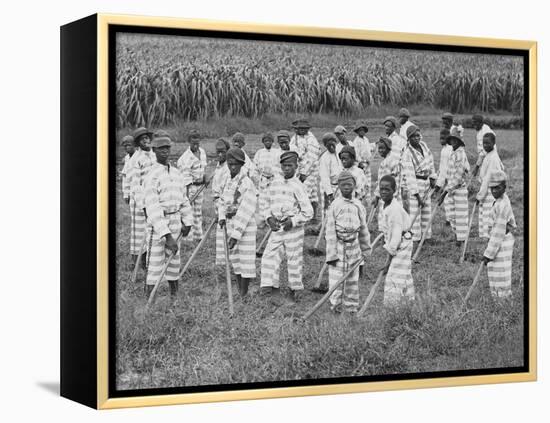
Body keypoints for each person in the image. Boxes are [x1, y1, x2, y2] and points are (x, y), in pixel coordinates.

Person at [143, 136, 193, 302]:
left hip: (175, 220)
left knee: (174, 261)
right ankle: (150, 301)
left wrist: (187, 221)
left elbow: (183, 199)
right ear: (154, 151)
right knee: (155, 265)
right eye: (161, 148)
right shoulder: (151, 175)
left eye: (167, 148)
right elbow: (152, 207)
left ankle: (175, 299)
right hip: (158, 225)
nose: (165, 151)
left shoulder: (176, 173)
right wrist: (166, 235)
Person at [260, 151, 313, 301]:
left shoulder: (298, 186)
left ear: (296, 167)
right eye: (284, 166)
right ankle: (269, 288)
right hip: (277, 226)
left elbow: (308, 212)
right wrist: (269, 218)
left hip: (293, 230)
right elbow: (265, 202)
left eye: (290, 166)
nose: (287, 169)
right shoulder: (275, 183)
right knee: (269, 256)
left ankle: (295, 289)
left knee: (294, 258)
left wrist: (293, 221)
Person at [325, 170, 370, 313]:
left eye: (349, 184)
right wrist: (331, 255)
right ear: (338, 186)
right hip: (339, 247)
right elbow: (330, 233)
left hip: (354, 247)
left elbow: (363, 229)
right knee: (336, 281)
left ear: (354, 185)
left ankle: (351, 308)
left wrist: (366, 248)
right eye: (343, 185)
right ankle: (335, 306)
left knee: (352, 280)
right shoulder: (335, 205)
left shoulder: (358, 205)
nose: (346, 187)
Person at [218, 148, 258, 296]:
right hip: (230, 223)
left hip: (244, 226)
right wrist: (222, 216)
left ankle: (244, 292)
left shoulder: (247, 183)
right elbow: (222, 201)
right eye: (230, 164)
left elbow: (246, 210)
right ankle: (239, 290)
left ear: (242, 164)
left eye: (236, 164)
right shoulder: (227, 180)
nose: (232, 167)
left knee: (246, 259)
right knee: (235, 259)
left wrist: (236, 235)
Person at [378, 175, 415, 305]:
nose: (383, 192)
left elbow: (396, 237)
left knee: (393, 276)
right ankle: (407, 303)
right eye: (381, 189)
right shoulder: (387, 206)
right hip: (400, 242)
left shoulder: (394, 209)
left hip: (402, 244)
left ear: (394, 191)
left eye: (387, 189)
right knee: (403, 273)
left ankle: (392, 308)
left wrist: (388, 261)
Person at [482, 170, 516, 298]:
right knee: (495, 271)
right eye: (492, 188)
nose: (494, 191)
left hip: (501, 242)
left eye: (497, 188)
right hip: (498, 241)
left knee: (501, 273)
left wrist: (488, 254)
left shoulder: (503, 205)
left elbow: (498, 232)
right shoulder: (500, 200)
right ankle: (498, 297)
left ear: (504, 187)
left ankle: (502, 301)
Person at [401, 125, 437, 242]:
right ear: (409, 139)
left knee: (426, 210)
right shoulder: (407, 153)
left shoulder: (424, 146)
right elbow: (409, 175)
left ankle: (426, 237)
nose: (416, 138)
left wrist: (432, 177)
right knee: (416, 212)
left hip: (426, 182)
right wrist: (416, 195)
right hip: (416, 183)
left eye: (418, 135)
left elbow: (430, 161)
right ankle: (415, 239)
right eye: (413, 137)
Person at [129, 127, 156, 268]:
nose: (146, 141)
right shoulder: (135, 159)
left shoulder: (153, 155)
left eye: (147, 138)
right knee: (139, 232)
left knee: (151, 229)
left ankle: (148, 261)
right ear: (138, 143)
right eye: (142, 139)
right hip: (139, 201)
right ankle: (137, 262)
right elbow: (135, 186)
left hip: (152, 198)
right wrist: (143, 206)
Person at [177, 129, 207, 242]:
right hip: (190, 187)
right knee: (188, 212)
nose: (195, 145)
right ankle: (188, 238)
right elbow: (186, 178)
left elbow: (204, 168)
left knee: (198, 212)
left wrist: (205, 178)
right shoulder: (185, 158)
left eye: (197, 143)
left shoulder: (202, 152)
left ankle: (198, 236)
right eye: (193, 143)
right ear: (189, 142)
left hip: (200, 186)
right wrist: (188, 194)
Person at [443, 128, 471, 247]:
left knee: (460, 215)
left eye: (456, 140)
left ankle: (461, 240)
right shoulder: (452, 152)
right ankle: (457, 235)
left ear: (459, 141)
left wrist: (447, 190)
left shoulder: (460, 153)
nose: (454, 141)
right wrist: (446, 185)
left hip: (458, 189)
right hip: (450, 188)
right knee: (451, 214)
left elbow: (458, 175)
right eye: (452, 139)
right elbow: (450, 172)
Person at [290, 119, 321, 223]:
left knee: (304, 192)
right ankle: (313, 217)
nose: (301, 130)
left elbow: (311, 158)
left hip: (311, 169)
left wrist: (304, 173)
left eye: (304, 128)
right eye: (299, 128)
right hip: (299, 168)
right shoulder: (294, 139)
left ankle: (305, 216)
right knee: (312, 194)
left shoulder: (311, 139)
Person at [476, 132, 504, 239]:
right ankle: (487, 240)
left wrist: (479, 196)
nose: (485, 146)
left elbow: (487, 179)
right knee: (485, 216)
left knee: (488, 217)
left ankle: (490, 240)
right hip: (487, 190)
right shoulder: (489, 154)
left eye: (488, 143)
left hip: (490, 192)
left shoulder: (493, 158)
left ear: (494, 143)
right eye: (484, 143)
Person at [371, 137, 400, 231]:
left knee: (386, 216)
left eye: (382, 148)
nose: (380, 150)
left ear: (388, 148)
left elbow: (384, 181)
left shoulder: (388, 161)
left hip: (388, 194)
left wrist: (376, 196)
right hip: (389, 192)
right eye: (379, 148)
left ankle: (386, 237)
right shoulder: (388, 160)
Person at [212, 138, 232, 270]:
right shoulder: (218, 167)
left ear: (227, 152)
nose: (220, 155)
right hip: (217, 202)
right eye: (218, 152)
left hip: (224, 204)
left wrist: (221, 210)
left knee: (226, 233)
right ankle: (221, 265)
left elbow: (226, 192)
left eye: (223, 152)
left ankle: (227, 264)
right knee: (220, 235)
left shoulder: (228, 169)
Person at [253, 132, 281, 225]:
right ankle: (263, 219)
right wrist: (257, 178)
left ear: (273, 142)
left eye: (269, 141)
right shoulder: (260, 152)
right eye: (265, 141)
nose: (267, 143)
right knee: (262, 199)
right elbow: (255, 167)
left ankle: (273, 219)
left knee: (273, 198)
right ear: (263, 142)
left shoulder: (277, 152)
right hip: (263, 179)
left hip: (274, 179)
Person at [435, 128, 453, 226]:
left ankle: (450, 220)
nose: (441, 140)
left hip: (450, 178)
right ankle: (449, 219)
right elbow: (442, 167)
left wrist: (440, 183)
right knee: (447, 200)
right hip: (445, 178)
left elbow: (447, 167)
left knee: (449, 199)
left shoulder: (450, 150)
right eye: (440, 138)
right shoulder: (444, 149)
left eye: (443, 138)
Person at [352, 122, 374, 205]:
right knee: (361, 183)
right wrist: (362, 162)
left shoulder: (366, 139)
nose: (362, 132)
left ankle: (368, 201)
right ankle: (359, 200)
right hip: (361, 165)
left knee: (368, 183)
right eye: (360, 130)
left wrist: (375, 145)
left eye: (363, 130)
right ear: (357, 132)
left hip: (368, 164)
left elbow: (369, 149)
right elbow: (356, 154)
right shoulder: (356, 141)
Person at [319, 133, 342, 208]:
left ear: (336, 143)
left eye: (333, 144)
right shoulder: (324, 158)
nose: (331, 147)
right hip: (329, 187)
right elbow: (324, 177)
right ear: (325, 146)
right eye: (329, 145)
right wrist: (329, 194)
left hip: (339, 185)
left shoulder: (339, 153)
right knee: (328, 210)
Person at [120, 134, 135, 205]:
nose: (126, 147)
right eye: (125, 146)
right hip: (131, 190)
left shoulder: (139, 156)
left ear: (134, 145)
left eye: (129, 145)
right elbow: (125, 177)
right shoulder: (127, 158)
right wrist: (126, 194)